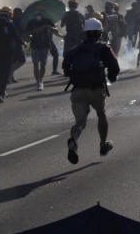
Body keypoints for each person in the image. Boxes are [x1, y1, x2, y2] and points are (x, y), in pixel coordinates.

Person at [62, 17, 119, 164]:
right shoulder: (104, 48)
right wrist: (111, 78)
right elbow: (114, 67)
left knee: (80, 122)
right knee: (101, 114)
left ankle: (73, 140)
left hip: (78, 91)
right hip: (96, 89)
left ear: (85, 33)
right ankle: (103, 144)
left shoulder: (74, 50)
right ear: (99, 33)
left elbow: (66, 69)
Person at [0, 7, 20, 102]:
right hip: (7, 53)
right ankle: (1, 93)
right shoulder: (8, 24)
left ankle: (0, 92)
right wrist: (23, 42)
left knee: (0, 72)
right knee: (5, 73)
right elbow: (15, 37)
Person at [24, 11, 57, 91]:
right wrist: (39, 29)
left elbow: (56, 30)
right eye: (37, 14)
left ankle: (41, 80)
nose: (38, 15)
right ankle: (38, 82)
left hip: (45, 46)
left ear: (42, 14)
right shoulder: (31, 22)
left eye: (40, 14)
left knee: (43, 65)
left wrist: (51, 28)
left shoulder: (47, 21)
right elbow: (27, 33)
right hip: (34, 46)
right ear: (34, 15)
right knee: (35, 65)